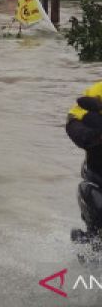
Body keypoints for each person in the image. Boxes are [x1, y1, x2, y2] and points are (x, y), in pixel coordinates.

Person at [66, 84, 102, 242]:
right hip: (98, 168)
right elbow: (73, 119)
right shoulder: (98, 91)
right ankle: (91, 243)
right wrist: (89, 136)